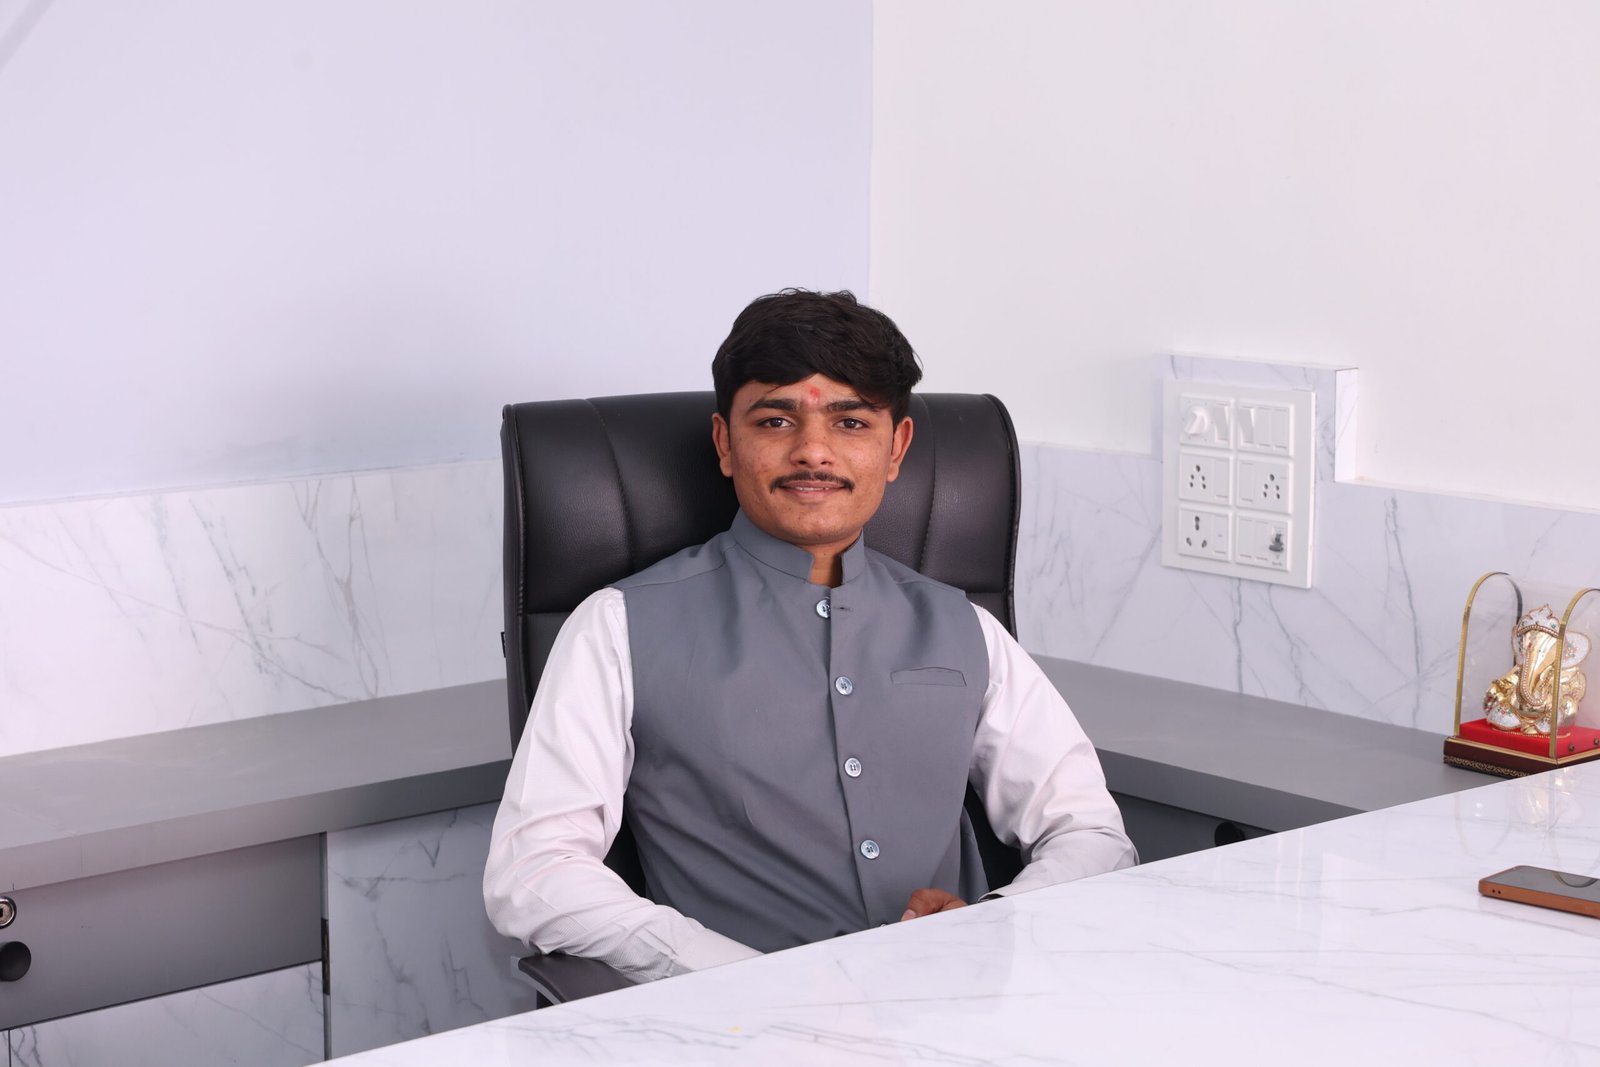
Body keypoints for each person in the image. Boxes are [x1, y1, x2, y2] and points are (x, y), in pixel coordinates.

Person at [484, 289, 1136, 983]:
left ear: (896, 448)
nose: (813, 452)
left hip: (954, 1009)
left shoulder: (966, 627)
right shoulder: (616, 626)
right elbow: (534, 871)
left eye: (851, 422)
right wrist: (733, 975)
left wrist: (986, 926)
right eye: (775, 420)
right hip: (735, 1023)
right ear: (725, 443)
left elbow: (1090, 832)